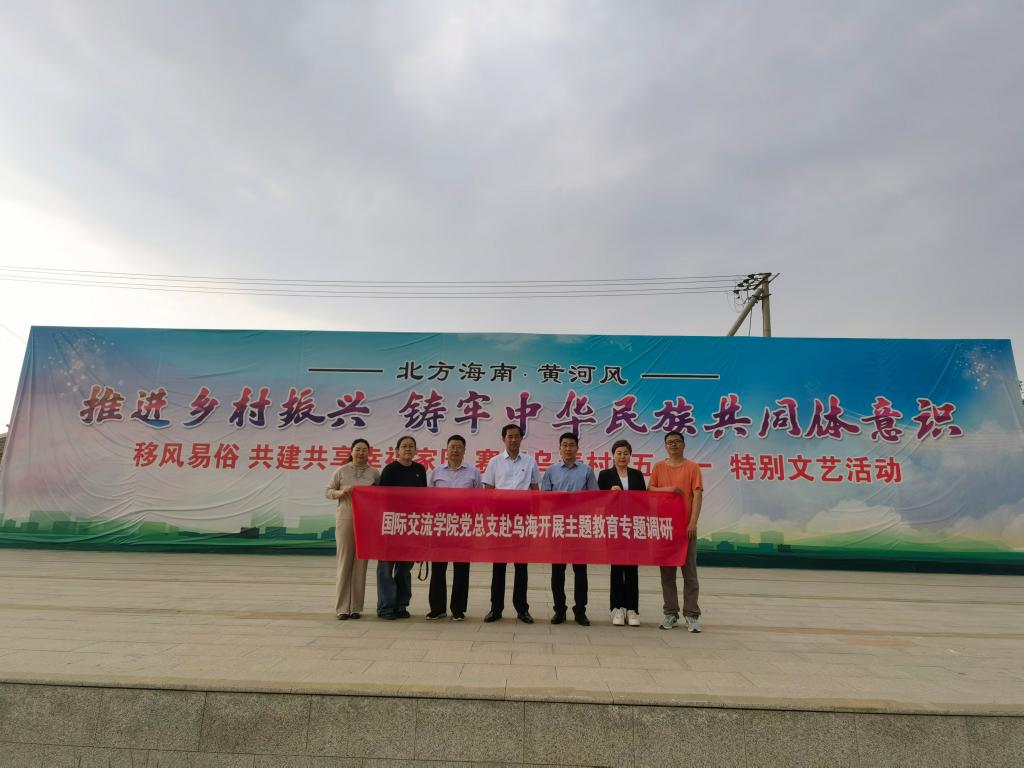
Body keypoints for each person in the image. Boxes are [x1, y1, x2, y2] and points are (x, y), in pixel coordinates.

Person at [481, 423, 540, 624]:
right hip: (500, 521)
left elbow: (535, 490)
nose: (513, 440)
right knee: (499, 566)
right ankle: (495, 608)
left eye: (516, 436)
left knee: (521, 567)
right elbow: (488, 491)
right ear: (503, 439)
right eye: (510, 436)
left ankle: (522, 609)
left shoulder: (530, 462)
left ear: (521, 439)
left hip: (522, 521)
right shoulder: (494, 462)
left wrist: (534, 517)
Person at [540, 432, 598, 626]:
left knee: (580, 572)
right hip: (558, 527)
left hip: (579, 527)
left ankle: (580, 611)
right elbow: (544, 499)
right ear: (560, 448)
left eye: (571, 445)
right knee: (558, 571)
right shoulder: (551, 471)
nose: (568, 448)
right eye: (564, 445)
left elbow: (594, 498)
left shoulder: (587, 471)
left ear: (577, 448)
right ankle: (559, 610)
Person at [649, 431, 704, 632]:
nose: (673, 445)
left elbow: (697, 495)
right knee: (667, 574)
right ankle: (670, 613)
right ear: (665, 446)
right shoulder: (658, 467)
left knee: (690, 573)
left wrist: (693, 522)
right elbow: (650, 490)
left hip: (686, 528)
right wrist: (669, 489)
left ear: (683, 445)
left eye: (677, 441)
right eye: (669, 442)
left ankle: (691, 614)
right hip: (666, 528)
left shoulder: (692, 467)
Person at [427, 434, 482, 621]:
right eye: (452, 447)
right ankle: (437, 608)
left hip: (463, 526)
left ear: (464, 450)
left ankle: (458, 609)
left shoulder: (473, 473)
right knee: (438, 569)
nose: (455, 450)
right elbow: (429, 499)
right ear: (447, 449)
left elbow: (479, 500)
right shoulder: (437, 472)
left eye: (459, 447)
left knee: (461, 569)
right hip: (440, 526)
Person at [325, 438, 380, 620]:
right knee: (344, 562)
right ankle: (342, 608)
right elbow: (328, 491)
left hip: (366, 520)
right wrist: (341, 492)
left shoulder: (374, 473)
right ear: (351, 451)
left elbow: (380, 495)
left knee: (360, 563)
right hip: (346, 517)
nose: (361, 453)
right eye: (358, 449)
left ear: (369, 453)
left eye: (364, 450)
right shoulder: (341, 471)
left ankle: (356, 607)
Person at [376, 435, 427, 620]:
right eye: (404, 446)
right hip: (391, 524)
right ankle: (386, 607)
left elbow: (424, 498)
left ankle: (401, 605)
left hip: (410, 525)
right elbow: (381, 498)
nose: (408, 449)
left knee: (404, 569)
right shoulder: (389, 470)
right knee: (386, 568)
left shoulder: (420, 469)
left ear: (415, 450)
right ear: (397, 450)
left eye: (411, 446)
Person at [597, 439, 647, 627]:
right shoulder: (605, 475)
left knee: (632, 568)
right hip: (614, 526)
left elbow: (644, 501)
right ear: (613, 455)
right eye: (619, 453)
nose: (622, 456)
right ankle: (617, 608)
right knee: (617, 568)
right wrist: (609, 493)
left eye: (626, 453)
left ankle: (632, 609)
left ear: (630, 455)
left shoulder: (637, 475)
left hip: (633, 527)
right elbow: (598, 500)